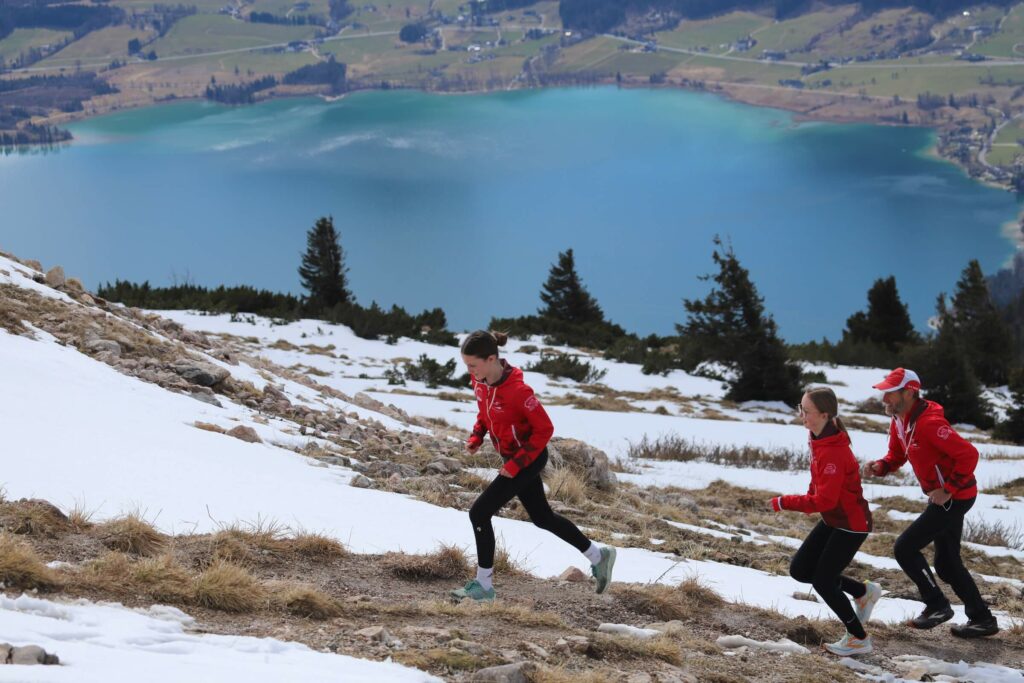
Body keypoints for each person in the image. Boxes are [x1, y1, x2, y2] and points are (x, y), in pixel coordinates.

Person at [450, 330, 615, 602]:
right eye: (467, 365)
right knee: (542, 518)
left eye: (473, 365)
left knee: (479, 512)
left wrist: (516, 465)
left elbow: (545, 429)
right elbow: (485, 412)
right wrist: (477, 436)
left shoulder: (518, 391)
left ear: (492, 359)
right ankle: (599, 556)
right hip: (511, 459)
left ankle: (484, 587)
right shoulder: (479, 381)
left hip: (528, 458)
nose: (469, 370)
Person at [864, 368, 998, 638]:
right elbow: (897, 454)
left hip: (955, 498)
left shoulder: (930, 423)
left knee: (904, 548)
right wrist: (882, 466)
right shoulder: (900, 420)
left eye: (890, 392)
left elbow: (969, 455)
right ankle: (982, 619)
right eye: (884, 392)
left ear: (909, 392)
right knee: (947, 564)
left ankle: (937, 605)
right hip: (949, 498)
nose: (885, 398)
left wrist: (948, 489)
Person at [768, 387, 881, 656]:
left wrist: (786, 502)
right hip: (835, 520)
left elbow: (825, 500)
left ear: (825, 414)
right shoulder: (818, 438)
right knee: (800, 570)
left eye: (806, 412)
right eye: (801, 408)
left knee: (823, 581)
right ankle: (863, 592)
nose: (801, 415)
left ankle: (858, 638)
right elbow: (819, 489)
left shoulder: (833, 451)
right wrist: (807, 495)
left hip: (851, 524)